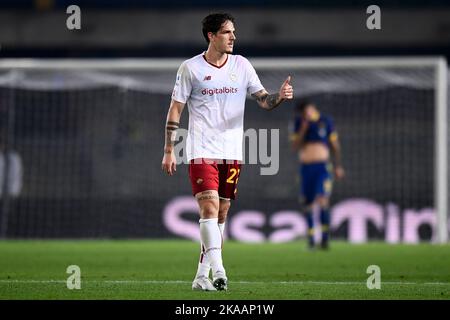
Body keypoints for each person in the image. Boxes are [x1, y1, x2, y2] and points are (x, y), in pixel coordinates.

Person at [161, 13, 293, 291]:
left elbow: (263, 100)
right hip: (201, 150)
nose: (233, 37)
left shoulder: (242, 65)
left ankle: (201, 277)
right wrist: (169, 149)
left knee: (220, 215)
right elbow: (176, 109)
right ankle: (220, 271)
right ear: (211, 35)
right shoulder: (190, 68)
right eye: (227, 32)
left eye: (234, 32)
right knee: (208, 208)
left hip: (232, 153)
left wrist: (279, 96)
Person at [290, 100, 344, 250]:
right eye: (304, 112)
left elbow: (335, 145)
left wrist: (338, 166)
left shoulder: (325, 121)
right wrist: (303, 129)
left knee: (322, 199)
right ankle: (312, 239)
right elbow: (295, 147)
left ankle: (325, 239)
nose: (307, 114)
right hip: (306, 169)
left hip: (322, 168)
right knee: (307, 204)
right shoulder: (299, 123)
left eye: (308, 110)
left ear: (313, 108)